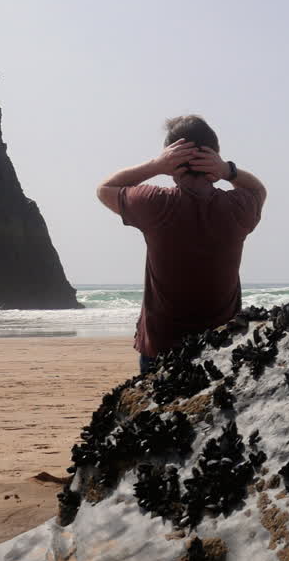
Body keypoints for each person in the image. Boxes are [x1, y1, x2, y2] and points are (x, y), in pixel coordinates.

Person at [96, 115, 266, 373]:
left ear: (170, 159)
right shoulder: (238, 207)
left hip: (161, 347)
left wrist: (155, 165)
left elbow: (105, 188)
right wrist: (228, 170)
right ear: (215, 156)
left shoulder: (155, 203)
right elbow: (258, 191)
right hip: (220, 347)